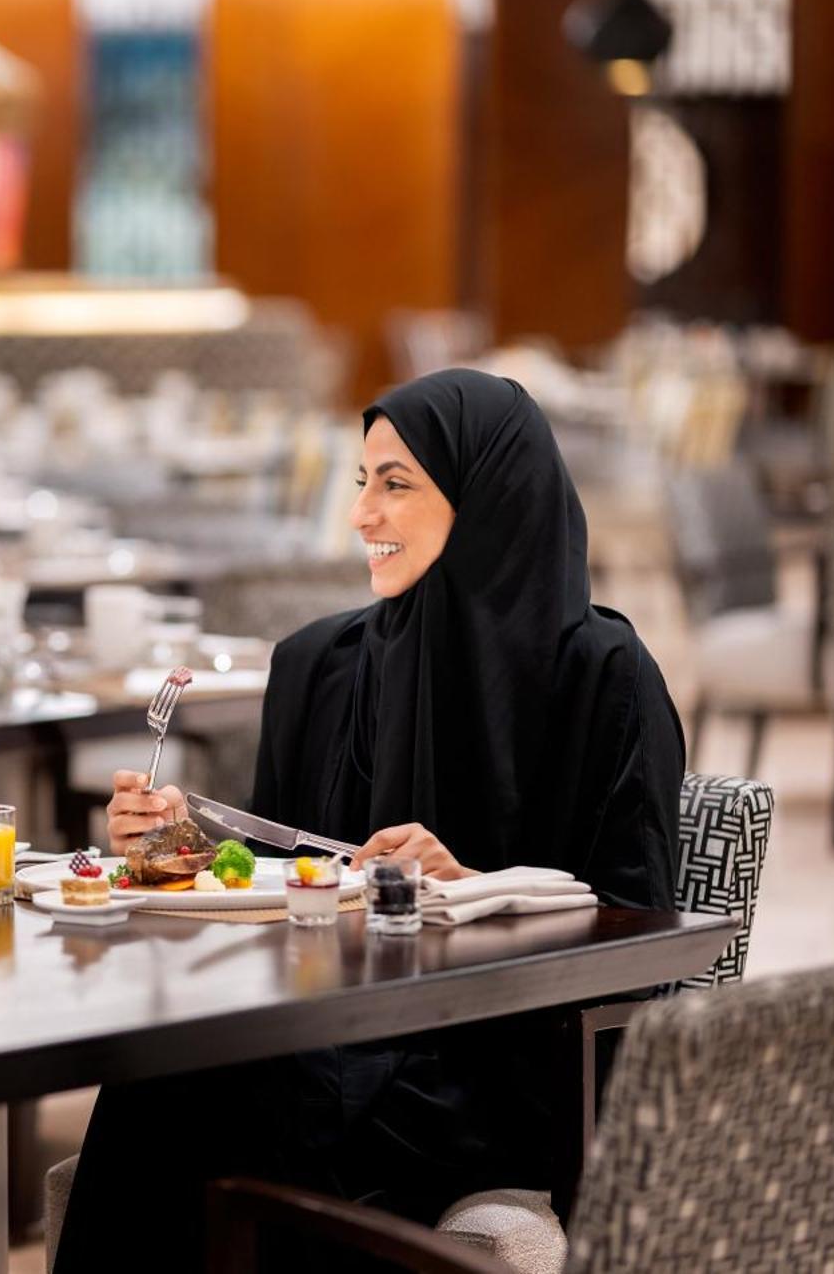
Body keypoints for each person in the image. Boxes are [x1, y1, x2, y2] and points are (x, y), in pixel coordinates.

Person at [58, 369, 681, 1271]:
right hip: (326, 1034)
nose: (361, 515)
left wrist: (477, 888)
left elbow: (645, 937)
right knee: (163, 1074)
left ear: (484, 491)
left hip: (498, 1064)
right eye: (361, 482)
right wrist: (182, 851)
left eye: (397, 483)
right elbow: (280, 885)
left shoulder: (603, 676)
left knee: (215, 1107)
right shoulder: (319, 665)